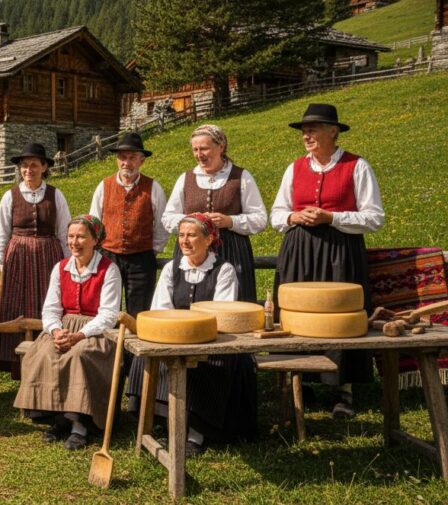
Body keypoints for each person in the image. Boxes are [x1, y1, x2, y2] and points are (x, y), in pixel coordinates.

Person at [271, 103, 385, 418]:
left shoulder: (356, 166)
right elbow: (277, 214)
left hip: (340, 249)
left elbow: (374, 217)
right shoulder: (294, 167)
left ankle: (343, 390)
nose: (306, 135)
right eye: (304, 131)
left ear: (333, 131)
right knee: (295, 311)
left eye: (313, 129)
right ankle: (300, 383)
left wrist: (331, 217)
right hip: (300, 248)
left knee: (339, 313)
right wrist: (295, 215)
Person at [125, 214, 257, 454]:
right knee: (147, 358)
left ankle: (198, 431)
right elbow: (160, 309)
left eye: (191, 235)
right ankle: (166, 425)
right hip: (175, 336)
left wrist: (192, 330)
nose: (184, 241)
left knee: (209, 366)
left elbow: (221, 314)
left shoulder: (223, 270)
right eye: (181, 235)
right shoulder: (171, 268)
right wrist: (177, 330)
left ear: (208, 240)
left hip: (212, 340)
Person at [13, 215, 122, 450]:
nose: (75, 242)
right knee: (44, 354)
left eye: (81, 236)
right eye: (71, 236)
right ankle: (59, 418)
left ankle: (80, 425)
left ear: (96, 240)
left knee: (78, 357)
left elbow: (109, 315)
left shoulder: (108, 270)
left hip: (96, 332)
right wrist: (55, 331)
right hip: (63, 327)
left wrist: (80, 335)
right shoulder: (60, 267)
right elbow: (51, 308)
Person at [162, 124, 267, 302]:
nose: (199, 154)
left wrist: (230, 221)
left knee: (232, 305)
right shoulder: (186, 178)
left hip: (231, 250)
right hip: (191, 252)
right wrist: (192, 221)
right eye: (195, 149)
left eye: (204, 148)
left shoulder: (240, 176)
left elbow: (260, 218)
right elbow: (168, 218)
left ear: (221, 147)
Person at [0, 143, 70, 379]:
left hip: (49, 258)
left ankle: (47, 361)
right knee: (18, 309)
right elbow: (0, 234)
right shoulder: (10, 196)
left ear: (44, 167)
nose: (28, 170)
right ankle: (18, 365)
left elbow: (65, 232)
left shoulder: (56, 194)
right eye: (24, 166)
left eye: (34, 165)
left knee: (47, 306)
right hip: (18, 260)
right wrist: (4, 267)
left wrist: (67, 267)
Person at [88, 132, 168, 316]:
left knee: (139, 312)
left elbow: (162, 224)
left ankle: (135, 345)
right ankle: (107, 345)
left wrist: (152, 250)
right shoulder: (104, 186)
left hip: (141, 259)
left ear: (142, 161)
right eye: (122, 158)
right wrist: (97, 251)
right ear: (117, 160)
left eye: (132, 158)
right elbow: (94, 222)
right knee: (107, 309)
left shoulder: (153, 187)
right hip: (108, 255)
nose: (126, 162)